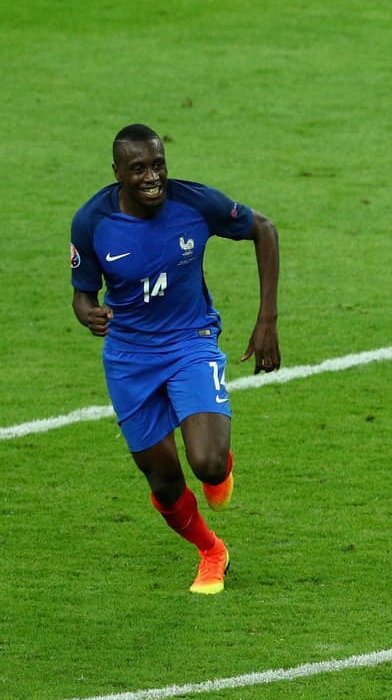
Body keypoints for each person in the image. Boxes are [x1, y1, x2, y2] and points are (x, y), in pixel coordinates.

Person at [70, 124, 280, 594]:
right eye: (139, 169)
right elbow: (81, 296)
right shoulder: (91, 223)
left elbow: (263, 229)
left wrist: (267, 319)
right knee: (163, 480)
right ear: (118, 173)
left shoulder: (195, 203)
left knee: (206, 462)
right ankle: (211, 550)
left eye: (158, 165)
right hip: (129, 357)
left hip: (190, 341)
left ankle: (219, 467)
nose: (152, 177)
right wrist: (89, 315)